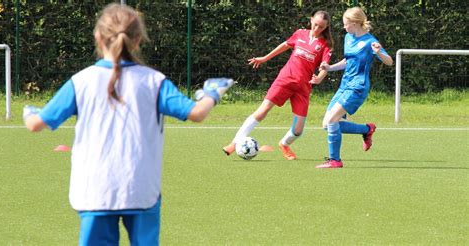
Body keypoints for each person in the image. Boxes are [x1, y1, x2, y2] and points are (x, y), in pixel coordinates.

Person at [23, 3, 233, 245]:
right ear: (138, 40)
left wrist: (29, 112)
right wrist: (212, 93)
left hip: (95, 189)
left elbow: (36, 124)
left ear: (98, 37)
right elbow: (196, 113)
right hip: (140, 188)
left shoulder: (80, 81)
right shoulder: (154, 81)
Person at [222, 10, 334, 160]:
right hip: (285, 79)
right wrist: (264, 58)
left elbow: (325, 65)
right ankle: (234, 143)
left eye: (321, 27)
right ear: (311, 19)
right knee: (262, 111)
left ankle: (284, 144)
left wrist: (320, 77)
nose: (317, 29)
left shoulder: (326, 44)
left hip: (303, 87)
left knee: (298, 130)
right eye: (315, 24)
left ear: (326, 27)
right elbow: (285, 45)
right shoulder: (300, 33)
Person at [316, 7, 393, 168]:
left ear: (356, 23)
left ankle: (335, 160)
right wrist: (329, 68)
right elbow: (347, 61)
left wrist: (379, 53)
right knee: (326, 124)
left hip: (358, 87)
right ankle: (366, 129)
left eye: (346, 24)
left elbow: (389, 62)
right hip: (344, 86)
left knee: (332, 121)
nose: (344, 27)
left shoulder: (370, 42)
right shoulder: (348, 38)